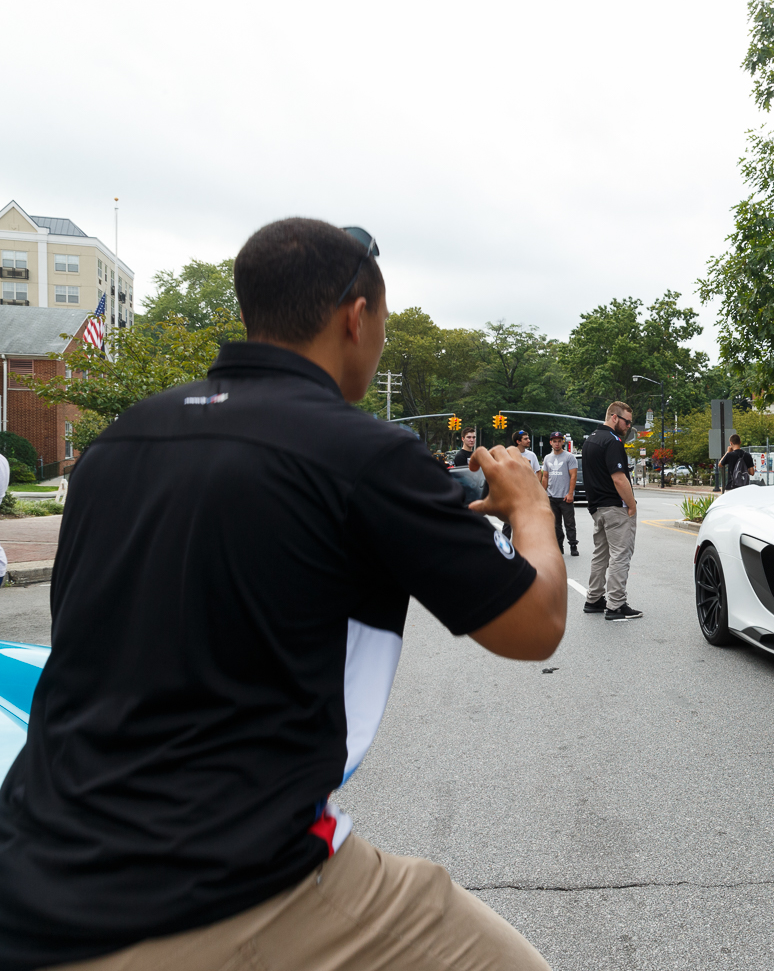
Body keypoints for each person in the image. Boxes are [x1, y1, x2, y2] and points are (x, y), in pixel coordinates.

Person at [0, 219, 566, 971]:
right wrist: (530, 506)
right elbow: (535, 625)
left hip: (35, 866)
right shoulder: (359, 451)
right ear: (355, 318)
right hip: (213, 882)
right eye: (383, 326)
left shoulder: (120, 442)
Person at [581, 401, 641, 621]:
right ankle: (615, 605)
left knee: (601, 555)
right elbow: (618, 478)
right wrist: (632, 504)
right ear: (614, 417)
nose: (628, 427)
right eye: (626, 422)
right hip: (615, 507)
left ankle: (594, 599)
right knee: (620, 555)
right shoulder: (612, 441)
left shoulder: (590, 440)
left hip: (597, 507)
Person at [544, 431, 579, 556]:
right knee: (555, 524)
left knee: (569, 523)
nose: (557, 443)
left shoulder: (569, 457)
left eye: (559, 441)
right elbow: (545, 477)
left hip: (565, 496)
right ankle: (559, 546)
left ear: (562, 442)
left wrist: (570, 493)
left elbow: (573, 476)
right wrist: (543, 494)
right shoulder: (547, 458)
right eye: (554, 441)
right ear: (551, 443)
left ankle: (573, 545)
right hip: (552, 496)